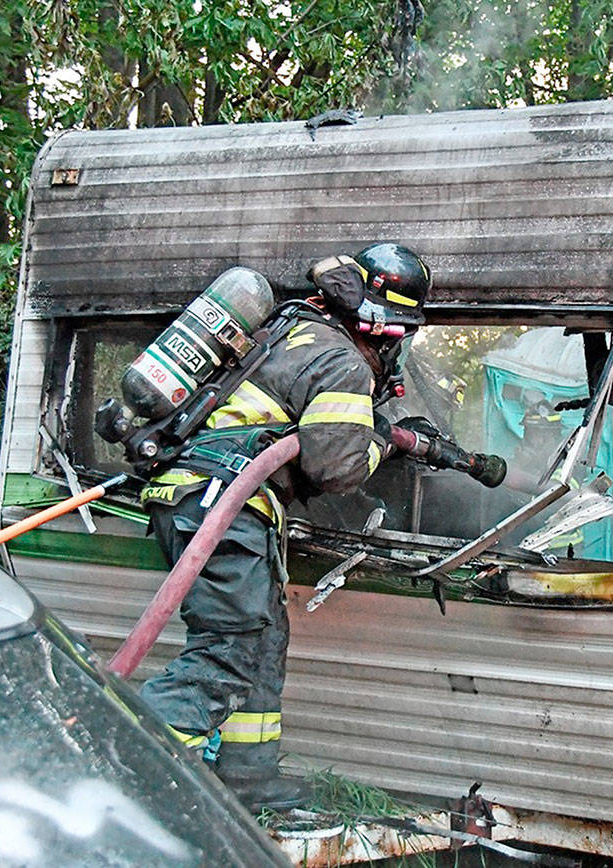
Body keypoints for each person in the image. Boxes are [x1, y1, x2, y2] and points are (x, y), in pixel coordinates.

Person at [136, 243, 432, 809]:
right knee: (228, 651)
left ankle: (248, 778)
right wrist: (383, 444)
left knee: (262, 638)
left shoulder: (292, 327)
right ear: (388, 329)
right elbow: (337, 468)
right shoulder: (343, 362)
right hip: (222, 505)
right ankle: (130, 775)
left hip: (201, 500)